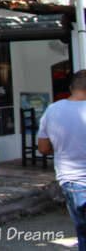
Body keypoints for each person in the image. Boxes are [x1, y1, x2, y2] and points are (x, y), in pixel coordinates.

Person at [38, 69, 86, 251]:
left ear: (71, 88)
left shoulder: (52, 110)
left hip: (70, 180)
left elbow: (43, 148)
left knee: (82, 231)